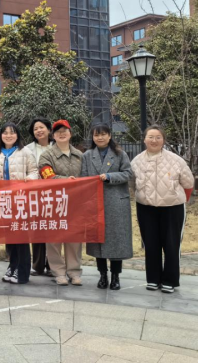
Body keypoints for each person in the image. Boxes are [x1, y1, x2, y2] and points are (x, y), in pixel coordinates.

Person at [131, 125, 194, 293]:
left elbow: (188, 183)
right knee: (151, 244)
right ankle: (153, 279)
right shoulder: (136, 161)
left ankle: (170, 281)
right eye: (150, 137)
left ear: (163, 140)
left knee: (172, 245)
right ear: (144, 139)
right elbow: (132, 183)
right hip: (146, 208)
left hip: (172, 208)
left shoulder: (176, 160)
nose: (154, 140)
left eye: (158, 137)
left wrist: (178, 197)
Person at [81, 123, 133, 290]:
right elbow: (83, 178)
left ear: (110, 136)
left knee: (116, 241)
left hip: (116, 203)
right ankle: (102, 275)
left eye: (103, 134)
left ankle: (116, 276)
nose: (100, 137)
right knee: (98, 241)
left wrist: (110, 176)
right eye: (96, 135)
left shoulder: (120, 153)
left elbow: (128, 173)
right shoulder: (87, 155)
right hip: (95, 203)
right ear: (93, 137)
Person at [38, 119, 84, 286]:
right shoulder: (47, 155)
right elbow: (47, 175)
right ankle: (58, 272)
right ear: (53, 135)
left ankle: (74, 271)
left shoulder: (80, 155)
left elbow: (87, 177)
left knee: (74, 238)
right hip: (53, 202)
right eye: (58, 131)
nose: (62, 134)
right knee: (54, 239)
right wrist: (67, 180)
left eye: (65, 131)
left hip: (75, 203)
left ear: (70, 134)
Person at [0, 122, 39, 285]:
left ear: (17, 135)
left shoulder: (25, 152)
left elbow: (34, 171)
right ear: (0, 136)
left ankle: (23, 271)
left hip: (20, 199)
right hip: (4, 200)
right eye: (5, 133)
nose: (8, 135)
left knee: (21, 236)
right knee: (9, 236)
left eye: (12, 132)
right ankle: (12, 266)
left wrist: (29, 179)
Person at [25, 118, 53, 277]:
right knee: (36, 229)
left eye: (42, 127)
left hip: (54, 194)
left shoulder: (56, 147)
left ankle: (52, 264)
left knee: (52, 230)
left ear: (49, 129)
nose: (39, 131)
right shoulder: (28, 149)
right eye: (36, 129)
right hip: (34, 194)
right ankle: (37, 265)